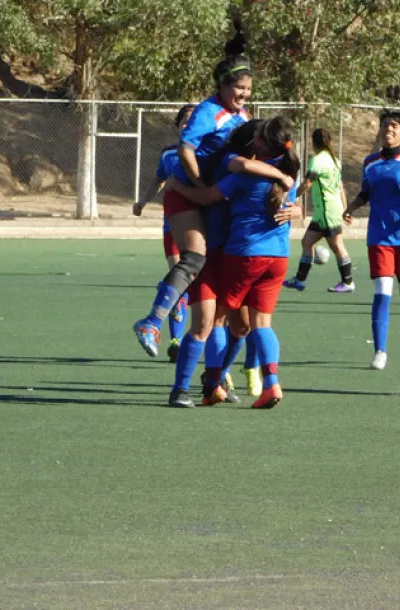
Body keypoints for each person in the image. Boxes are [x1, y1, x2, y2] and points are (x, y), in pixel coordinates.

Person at [131, 36, 293, 359]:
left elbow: (258, 158)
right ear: (222, 85)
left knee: (224, 310)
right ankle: (151, 322)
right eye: (238, 89)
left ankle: (216, 379)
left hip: (216, 203)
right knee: (194, 258)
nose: (244, 95)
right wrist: (200, 183)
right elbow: (186, 149)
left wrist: (291, 206)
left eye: (248, 89)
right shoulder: (208, 111)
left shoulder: (244, 117)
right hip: (189, 197)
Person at [169, 116, 300, 408]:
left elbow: (208, 197)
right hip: (278, 257)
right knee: (260, 323)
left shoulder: (242, 173)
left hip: (244, 254)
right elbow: (285, 197)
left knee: (216, 319)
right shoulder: (288, 171)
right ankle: (272, 384)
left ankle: (212, 384)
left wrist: (177, 186)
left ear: (262, 144)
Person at [342, 109, 400, 371]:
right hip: (380, 236)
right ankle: (380, 350)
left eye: (395, 126)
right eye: (385, 125)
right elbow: (366, 193)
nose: (389, 130)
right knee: (382, 292)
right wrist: (351, 207)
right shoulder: (370, 162)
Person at [132, 104, 196, 362]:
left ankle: (167, 320)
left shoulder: (206, 152)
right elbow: (157, 180)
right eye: (185, 121)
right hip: (172, 225)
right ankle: (175, 341)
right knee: (180, 274)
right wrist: (143, 201)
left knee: (186, 280)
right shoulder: (168, 153)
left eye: (193, 121)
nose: (188, 125)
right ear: (178, 124)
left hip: (199, 226)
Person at [283, 128, 355, 293]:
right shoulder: (335, 160)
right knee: (307, 242)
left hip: (326, 211)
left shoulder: (317, 160)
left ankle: (348, 282)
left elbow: (307, 183)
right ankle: (300, 280)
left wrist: (291, 198)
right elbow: (340, 187)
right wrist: (345, 210)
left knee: (336, 245)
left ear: (313, 142)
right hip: (326, 211)